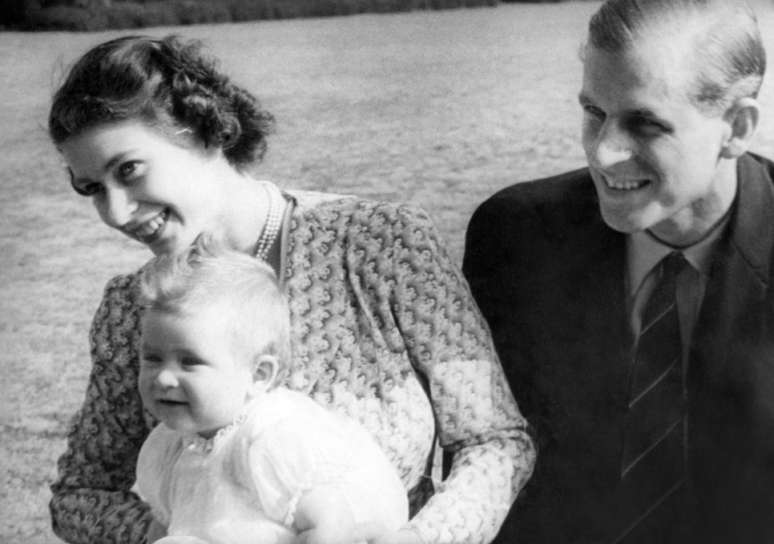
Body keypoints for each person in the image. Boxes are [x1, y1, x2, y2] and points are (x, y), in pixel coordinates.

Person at [47, 35, 535, 544]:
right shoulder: (135, 308)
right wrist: (176, 533)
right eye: (93, 189)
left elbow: (494, 443)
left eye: (128, 170)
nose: (116, 212)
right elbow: (82, 493)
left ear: (200, 132)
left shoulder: (379, 243)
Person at [464, 0, 771, 542]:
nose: (604, 153)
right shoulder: (513, 238)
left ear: (737, 127)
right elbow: (481, 448)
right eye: (594, 113)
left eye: (645, 124)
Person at [135, 236, 408, 544]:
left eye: (190, 362)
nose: (163, 378)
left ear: (259, 375)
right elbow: (169, 525)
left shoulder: (273, 439)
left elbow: (332, 527)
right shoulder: (171, 445)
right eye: (153, 359)